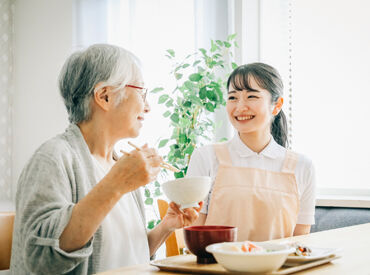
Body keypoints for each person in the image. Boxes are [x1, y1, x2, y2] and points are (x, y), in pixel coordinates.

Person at [10, 44, 202, 274]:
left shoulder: (118, 164)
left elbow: (127, 256)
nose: (148, 106)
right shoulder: (53, 158)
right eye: (141, 92)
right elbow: (42, 260)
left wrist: (165, 227)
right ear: (104, 96)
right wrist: (117, 183)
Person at [187, 63, 316, 241]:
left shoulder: (302, 166)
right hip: (216, 266)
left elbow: (300, 239)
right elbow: (195, 233)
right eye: (233, 98)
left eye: (251, 96)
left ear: (277, 105)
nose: (240, 107)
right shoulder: (206, 157)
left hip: (278, 267)